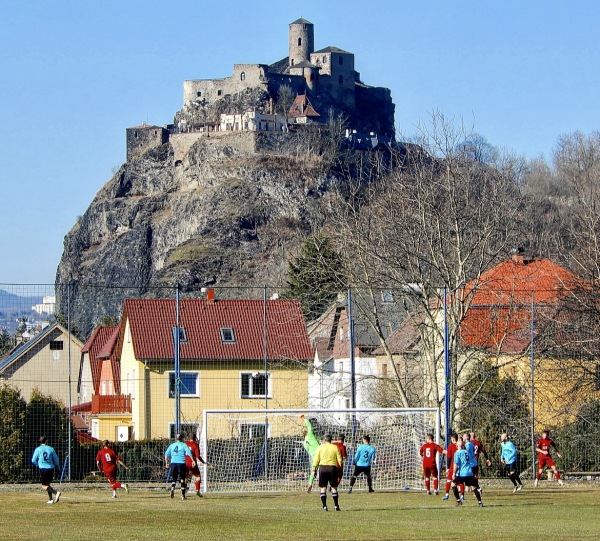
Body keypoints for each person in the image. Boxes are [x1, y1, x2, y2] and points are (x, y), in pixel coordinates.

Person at [312, 433, 343, 511]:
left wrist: (314, 468)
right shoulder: (335, 447)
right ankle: (336, 506)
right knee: (334, 487)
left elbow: (316, 459)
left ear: (324, 439)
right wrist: (341, 467)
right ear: (331, 439)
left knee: (323, 487)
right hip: (332, 468)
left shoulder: (320, 447)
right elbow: (340, 459)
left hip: (322, 468)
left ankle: (324, 506)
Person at [450, 438, 483, 507]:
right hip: (469, 472)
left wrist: (453, 473)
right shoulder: (467, 452)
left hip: (462, 473)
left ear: (457, 446)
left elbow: (456, 464)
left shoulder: (457, 453)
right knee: (474, 487)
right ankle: (480, 502)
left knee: (453, 484)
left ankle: (458, 501)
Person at [31, 435, 61, 505]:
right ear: (46, 441)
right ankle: (50, 499)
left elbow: (33, 460)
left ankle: (56, 493)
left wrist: (38, 464)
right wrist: (58, 468)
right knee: (47, 484)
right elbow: (56, 459)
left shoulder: (38, 449)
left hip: (43, 468)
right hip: (51, 468)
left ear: (39, 441)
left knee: (44, 486)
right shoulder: (51, 449)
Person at [165, 433, 196, 500]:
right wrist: (193, 460)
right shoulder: (184, 445)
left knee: (174, 479)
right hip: (181, 463)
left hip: (173, 463)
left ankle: (173, 487)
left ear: (176, 439)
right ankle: (182, 495)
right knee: (182, 479)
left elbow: (166, 454)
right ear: (182, 438)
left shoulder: (172, 445)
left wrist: (166, 463)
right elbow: (189, 453)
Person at [299, 414, 319, 492]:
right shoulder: (310, 435)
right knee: (327, 468)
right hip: (320, 453)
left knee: (313, 471)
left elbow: (308, 451)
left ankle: (310, 485)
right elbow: (309, 426)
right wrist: (304, 418)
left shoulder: (304, 443)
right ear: (307, 432)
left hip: (314, 456)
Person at [442, 433, 463, 500]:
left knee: (449, 480)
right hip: (461, 466)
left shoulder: (451, 447)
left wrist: (448, 468)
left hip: (453, 466)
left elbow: (448, 458)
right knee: (460, 481)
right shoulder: (461, 446)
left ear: (453, 439)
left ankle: (447, 494)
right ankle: (462, 495)